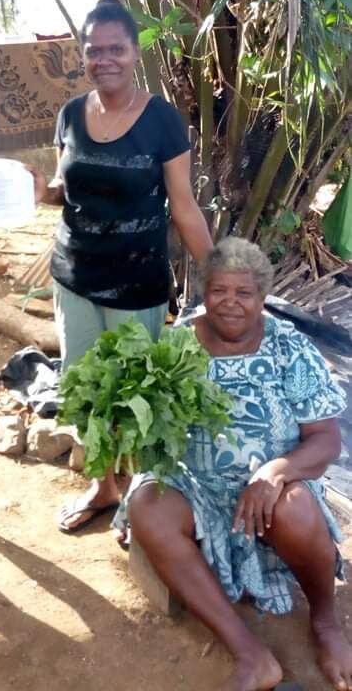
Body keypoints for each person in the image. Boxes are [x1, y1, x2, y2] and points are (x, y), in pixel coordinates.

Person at [122, 236, 351, 691]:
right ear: (204, 292)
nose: (229, 304)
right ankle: (252, 656)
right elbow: (154, 430)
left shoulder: (289, 348)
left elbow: (325, 440)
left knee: (295, 506)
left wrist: (274, 472)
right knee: (148, 503)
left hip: (273, 487)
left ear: (261, 297)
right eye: (218, 291)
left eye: (243, 293)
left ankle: (325, 623)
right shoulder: (178, 345)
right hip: (199, 487)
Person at [30, 0, 213, 532]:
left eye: (115, 49)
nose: (103, 59)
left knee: (136, 394)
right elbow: (69, 190)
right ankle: (106, 484)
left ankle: (144, 499)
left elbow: (182, 206)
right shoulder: (70, 114)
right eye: (93, 50)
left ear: (135, 53)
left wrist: (218, 272)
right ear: (83, 56)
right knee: (86, 386)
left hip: (137, 281)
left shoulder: (162, 121)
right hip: (75, 276)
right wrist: (45, 193)